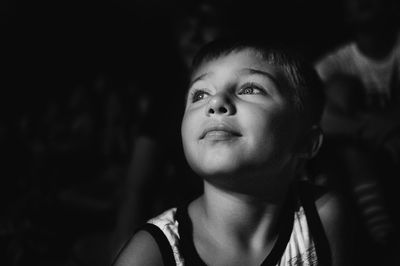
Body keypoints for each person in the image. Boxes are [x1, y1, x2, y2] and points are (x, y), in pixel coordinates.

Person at [112, 39, 351, 266]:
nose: (215, 102)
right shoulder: (152, 254)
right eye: (200, 94)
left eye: (250, 89)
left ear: (306, 143)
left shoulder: (322, 218)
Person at [314, 0, 400, 252]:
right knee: (338, 88)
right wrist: (378, 132)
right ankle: (381, 233)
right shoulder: (335, 63)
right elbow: (314, 116)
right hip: (360, 149)